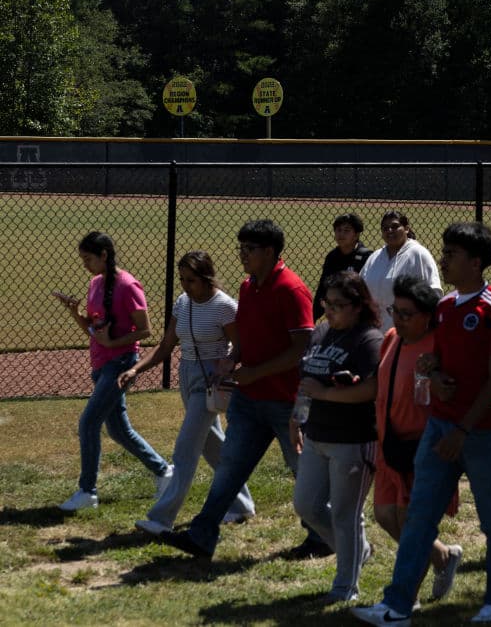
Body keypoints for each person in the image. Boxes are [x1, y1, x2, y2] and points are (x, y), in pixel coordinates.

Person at [353, 222, 491, 626]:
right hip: (441, 429)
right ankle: (397, 606)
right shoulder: (444, 307)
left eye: (452, 254)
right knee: (419, 515)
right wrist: (434, 370)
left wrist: (461, 429)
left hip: (481, 433)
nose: (442, 259)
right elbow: (439, 362)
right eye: (443, 252)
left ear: (476, 262)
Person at [159, 219, 322, 559]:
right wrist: (232, 361)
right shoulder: (249, 287)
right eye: (241, 248)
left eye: (249, 249)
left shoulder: (291, 289)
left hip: (285, 403)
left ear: (270, 252)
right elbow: (246, 338)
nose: (242, 255)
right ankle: (202, 535)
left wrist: (255, 372)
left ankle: (322, 536)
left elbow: (301, 350)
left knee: (303, 471)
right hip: (249, 400)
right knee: (229, 468)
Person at [118, 251, 255, 535]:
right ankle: (241, 505)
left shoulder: (224, 306)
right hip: (187, 373)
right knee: (211, 444)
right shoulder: (182, 303)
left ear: (206, 278)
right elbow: (167, 345)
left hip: (210, 377)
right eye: (181, 279)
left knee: (185, 449)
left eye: (190, 280)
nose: (184, 285)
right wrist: (136, 369)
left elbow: (241, 346)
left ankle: (161, 518)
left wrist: (227, 364)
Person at [53, 232, 173, 512]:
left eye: (88, 258)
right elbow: (94, 332)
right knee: (119, 431)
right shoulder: (95, 283)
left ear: (104, 255)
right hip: (100, 364)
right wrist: (75, 312)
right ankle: (165, 472)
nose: (85, 264)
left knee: (88, 423)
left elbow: (145, 331)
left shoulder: (128, 285)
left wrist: (112, 343)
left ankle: (87, 491)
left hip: (120, 365)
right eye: (82, 259)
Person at [291, 272, 383, 603]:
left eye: (338, 305)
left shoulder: (369, 340)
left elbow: (371, 389)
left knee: (346, 515)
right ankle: (360, 550)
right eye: (326, 303)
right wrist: (297, 417)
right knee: (307, 505)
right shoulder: (321, 332)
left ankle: (346, 588)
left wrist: (326, 394)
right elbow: (307, 378)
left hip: (353, 440)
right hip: (316, 435)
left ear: (358, 306)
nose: (329, 310)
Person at [372, 275, 462, 604]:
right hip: (390, 442)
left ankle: (404, 600)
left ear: (428, 316)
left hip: (421, 446)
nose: (398, 319)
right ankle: (442, 557)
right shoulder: (392, 338)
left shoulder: (440, 345)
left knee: (408, 521)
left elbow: (451, 391)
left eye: (407, 313)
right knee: (384, 515)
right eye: (395, 310)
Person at [361, 210, 442, 332]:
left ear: (406, 229)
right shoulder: (375, 257)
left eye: (395, 226)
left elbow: (434, 293)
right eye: (385, 228)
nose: (389, 231)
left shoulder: (418, 254)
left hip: (407, 330)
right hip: (374, 330)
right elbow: (360, 289)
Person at [313, 213, 372, 320]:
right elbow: (323, 289)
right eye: (338, 230)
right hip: (336, 315)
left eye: (346, 230)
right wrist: (312, 318)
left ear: (356, 234)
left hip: (359, 315)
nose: (341, 234)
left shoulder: (366, 257)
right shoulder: (332, 257)